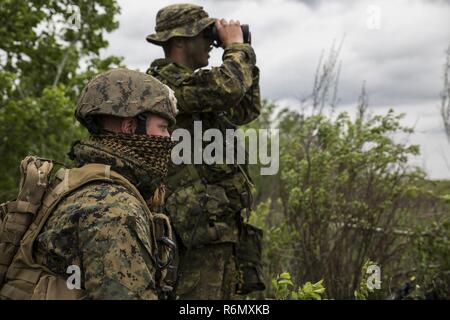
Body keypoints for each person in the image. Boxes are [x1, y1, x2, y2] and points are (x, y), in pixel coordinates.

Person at [0, 68, 178, 300]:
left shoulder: (69, 182)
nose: (168, 139)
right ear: (130, 127)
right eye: (163, 128)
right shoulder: (115, 209)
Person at [147, 4, 264, 299]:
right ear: (179, 41)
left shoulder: (200, 85)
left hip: (217, 223)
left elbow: (245, 109)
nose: (213, 43)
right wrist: (235, 47)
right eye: (205, 35)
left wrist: (243, 50)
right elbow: (228, 87)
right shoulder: (164, 85)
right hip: (193, 228)